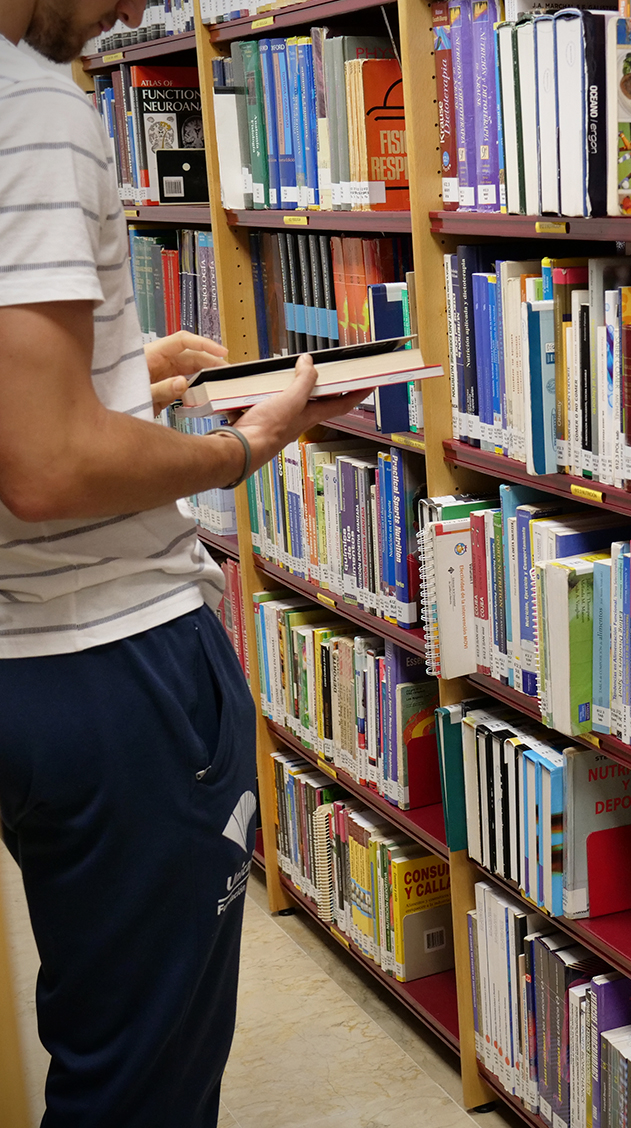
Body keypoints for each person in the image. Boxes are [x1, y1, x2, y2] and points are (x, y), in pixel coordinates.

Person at [0, 1, 366, 1124]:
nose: (134, 7)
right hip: (107, 654)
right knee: (143, 1081)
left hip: (26, 657)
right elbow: (50, 467)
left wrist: (120, 383)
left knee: (97, 1029)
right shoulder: (30, 106)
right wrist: (239, 447)